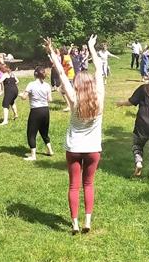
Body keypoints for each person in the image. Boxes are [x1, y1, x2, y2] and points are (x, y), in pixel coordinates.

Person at [44, 34, 104, 235]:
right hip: (93, 150)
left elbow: (61, 72)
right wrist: (91, 47)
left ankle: (75, 224)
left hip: (74, 149)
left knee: (73, 186)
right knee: (88, 184)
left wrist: (52, 52)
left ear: (77, 85)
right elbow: (99, 69)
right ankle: (88, 220)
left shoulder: (73, 99)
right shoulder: (100, 99)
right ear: (93, 85)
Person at [20, 67, 54, 161]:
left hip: (36, 111)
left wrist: (21, 95)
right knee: (44, 131)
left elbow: (24, 97)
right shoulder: (47, 85)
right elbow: (50, 99)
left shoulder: (31, 84)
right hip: (45, 110)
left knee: (31, 133)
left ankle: (33, 156)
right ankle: (50, 150)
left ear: (35, 74)